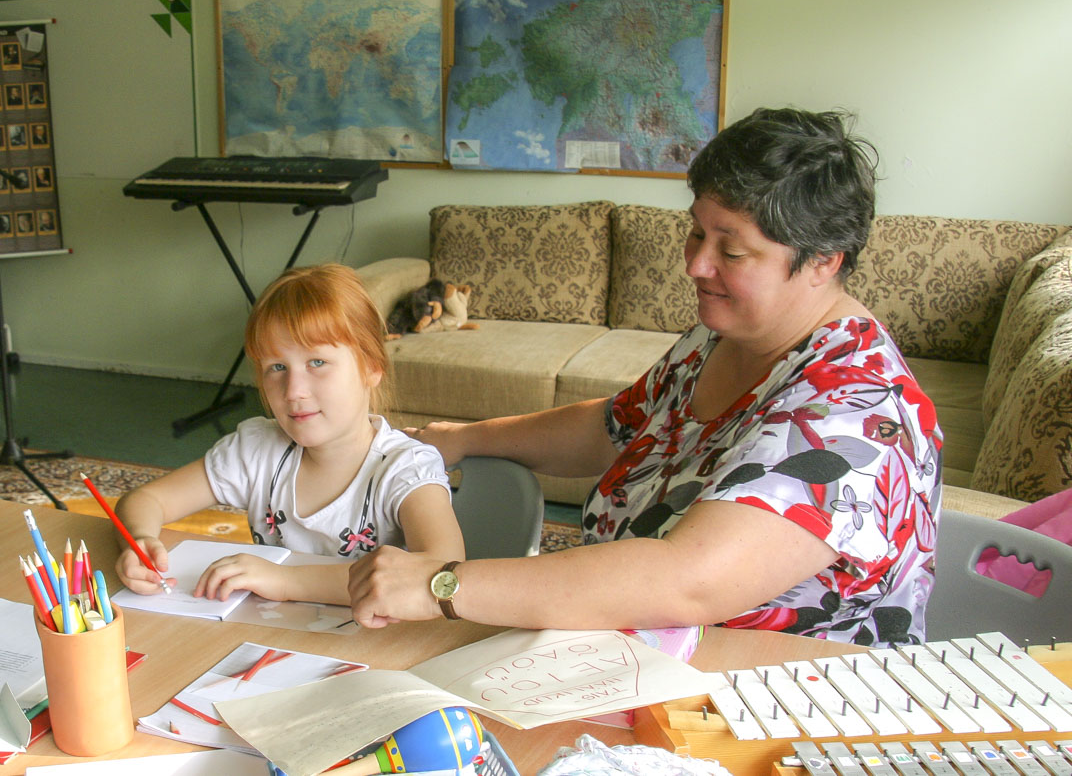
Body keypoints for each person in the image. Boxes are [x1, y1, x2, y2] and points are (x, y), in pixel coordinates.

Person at [348, 108, 943, 648]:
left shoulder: (860, 412)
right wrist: (465, 436)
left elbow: (687, 582)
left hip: (779, 700)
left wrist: (443, 586)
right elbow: (618, 426)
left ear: (823, 261)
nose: (695, 264)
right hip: (632, 656)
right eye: (695, 232)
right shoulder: (726, 333)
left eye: (731, 252)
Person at [114, 264, 465, 606]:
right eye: (277, 367)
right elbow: (146, 501)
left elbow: (442, 575)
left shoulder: (405, 469)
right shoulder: (256, 449)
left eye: (317, 363)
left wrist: (285, 581)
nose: (294, 390)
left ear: (371, 367)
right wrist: (140, 539)